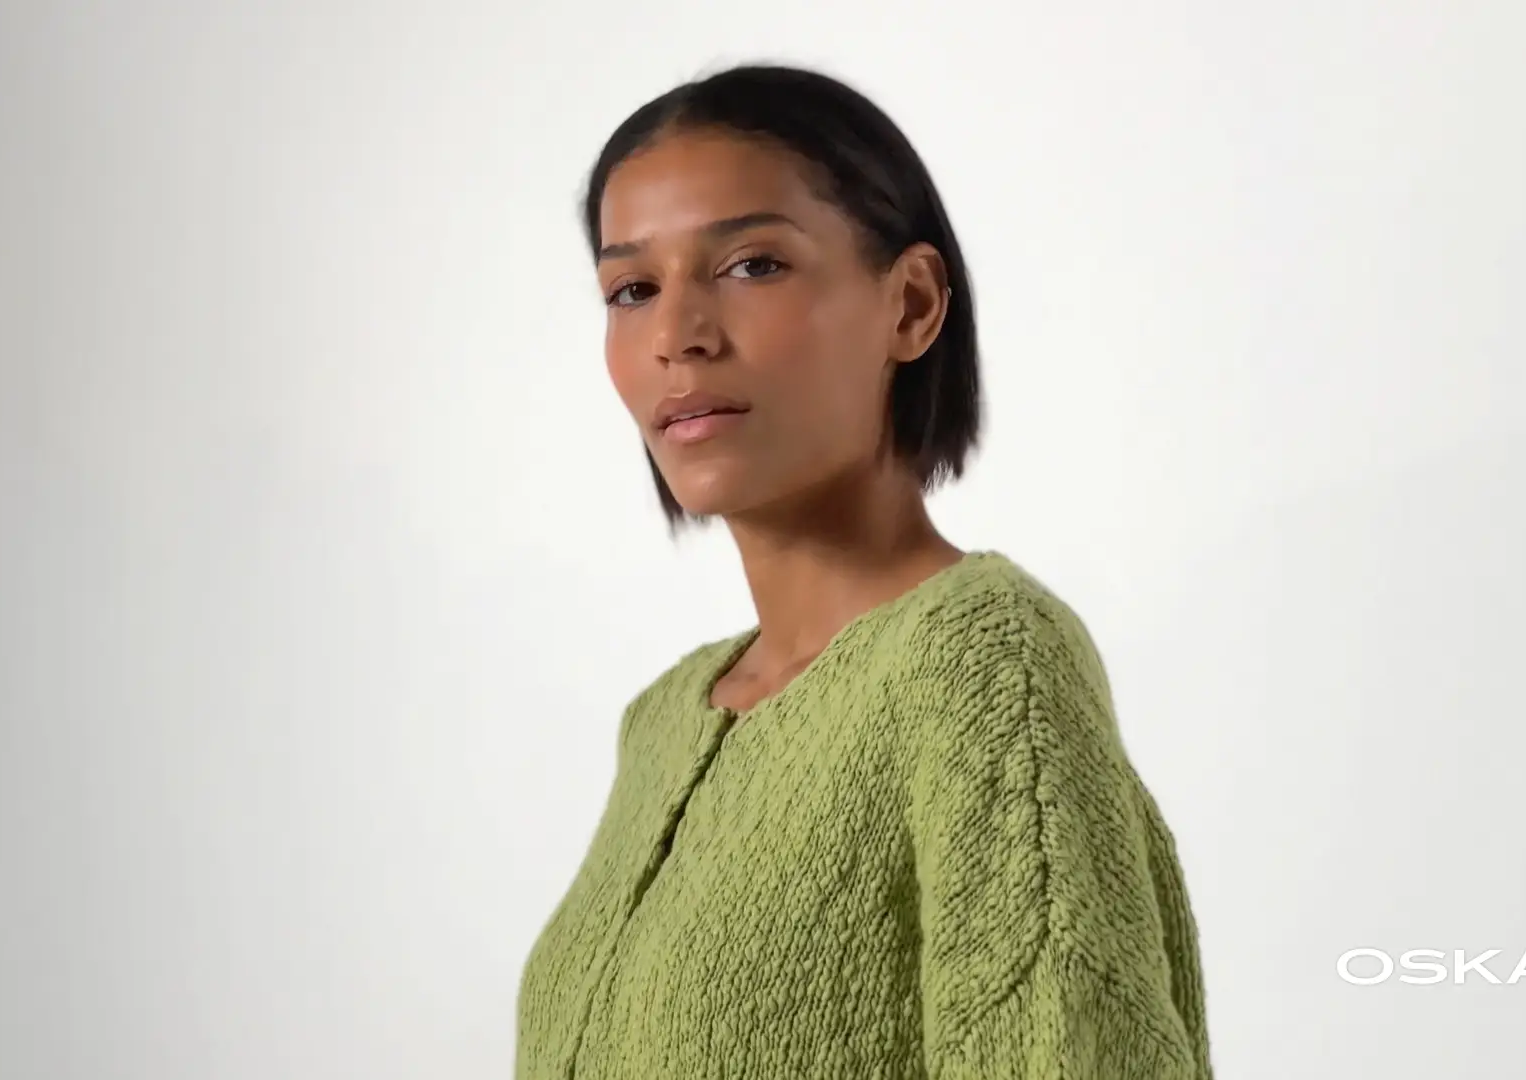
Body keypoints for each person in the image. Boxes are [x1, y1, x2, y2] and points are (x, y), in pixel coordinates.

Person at [514, 63, 1212, 1079]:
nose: (678, 336)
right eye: (633, 289)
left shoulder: (982, 659)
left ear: (912, 306)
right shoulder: (664, 722)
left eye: (753, 265)